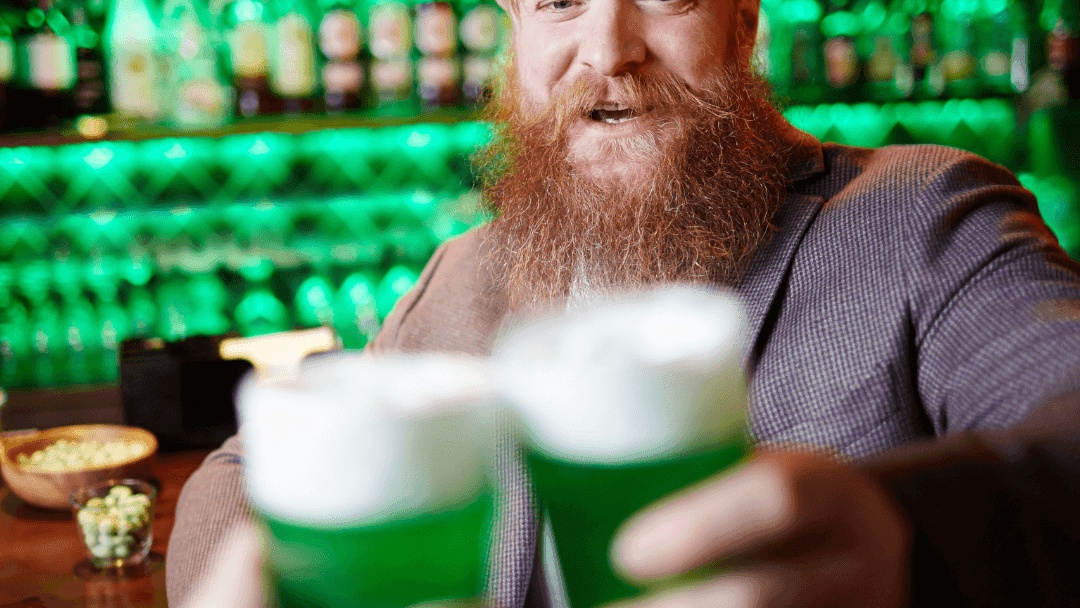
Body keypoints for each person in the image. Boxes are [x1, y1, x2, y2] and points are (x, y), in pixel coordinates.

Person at [167, 0, 1080, 604]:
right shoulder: (462, 276)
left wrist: (905, 536)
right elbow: (245, 473)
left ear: (744, 22)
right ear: (515, 32)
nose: (608, 49)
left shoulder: (924, 214)